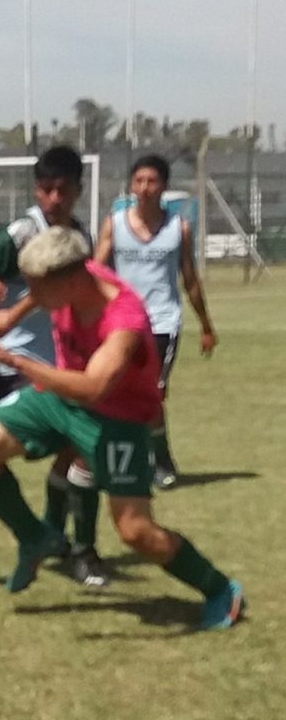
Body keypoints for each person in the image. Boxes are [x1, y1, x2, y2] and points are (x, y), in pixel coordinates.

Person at [0, 225, 244, 630]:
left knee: (136, 532)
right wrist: (11, 316)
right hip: (60, 400)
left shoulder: (124, 320)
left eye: (36, 288)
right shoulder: (76, 272)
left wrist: (16, 361)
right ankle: (35, 537)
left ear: (71, 281)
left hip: (117, 420)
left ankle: (220, 588)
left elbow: (93, 387)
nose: (30, 294)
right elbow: (43, 290)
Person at [0, 145, 108, 589]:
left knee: (77, 449)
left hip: (58, 368)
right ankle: (68, 545)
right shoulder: (20, 234)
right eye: (46, 189)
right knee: (82, 442)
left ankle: (49, 538)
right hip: (9, 367)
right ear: (36, 190)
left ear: (78, 190)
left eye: (63, 190)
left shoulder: (80, 237)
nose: (54, 198)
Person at [94, 153, 217, 488]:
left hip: (163, 323)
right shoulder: (114, 225)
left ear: (164, 186)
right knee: (115, 390)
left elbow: (190, 280)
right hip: (122, 323)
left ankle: (162, 463)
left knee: (152, 394)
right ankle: (123, 460)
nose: (145, 188)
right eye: (139, 181)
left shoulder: (179, 228)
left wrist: (206, 326)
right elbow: (96, 272)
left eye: (152, 181)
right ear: (131, 185)